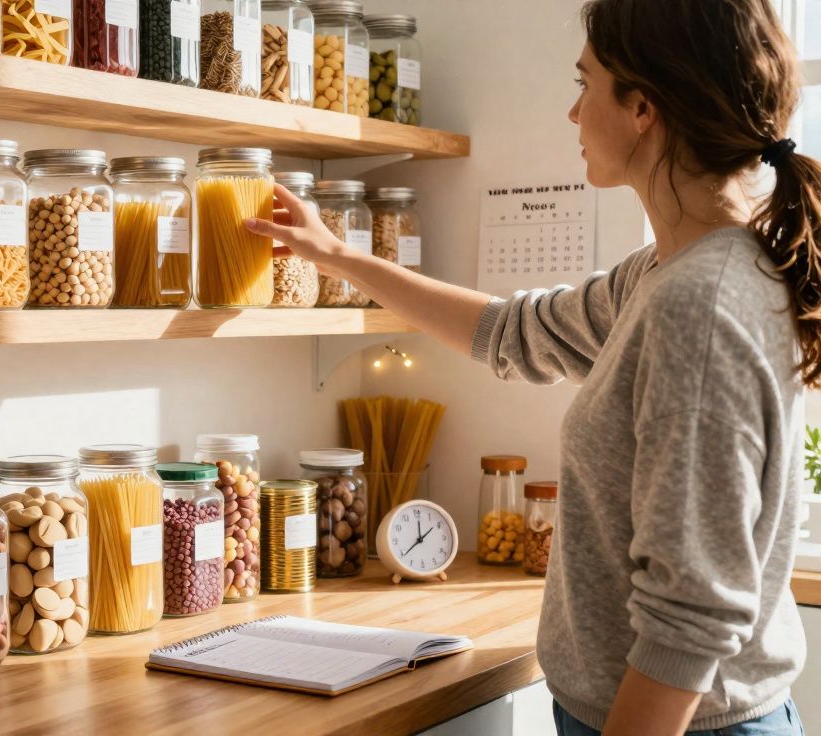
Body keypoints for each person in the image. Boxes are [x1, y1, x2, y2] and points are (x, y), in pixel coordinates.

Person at [244, 1, 821, 734]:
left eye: (586, 84)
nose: (574, 112)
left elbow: (692, 617)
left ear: (642, 107)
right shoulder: (665, 274)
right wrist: (340, 257)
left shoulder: (699, 305)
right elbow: (514, 332)